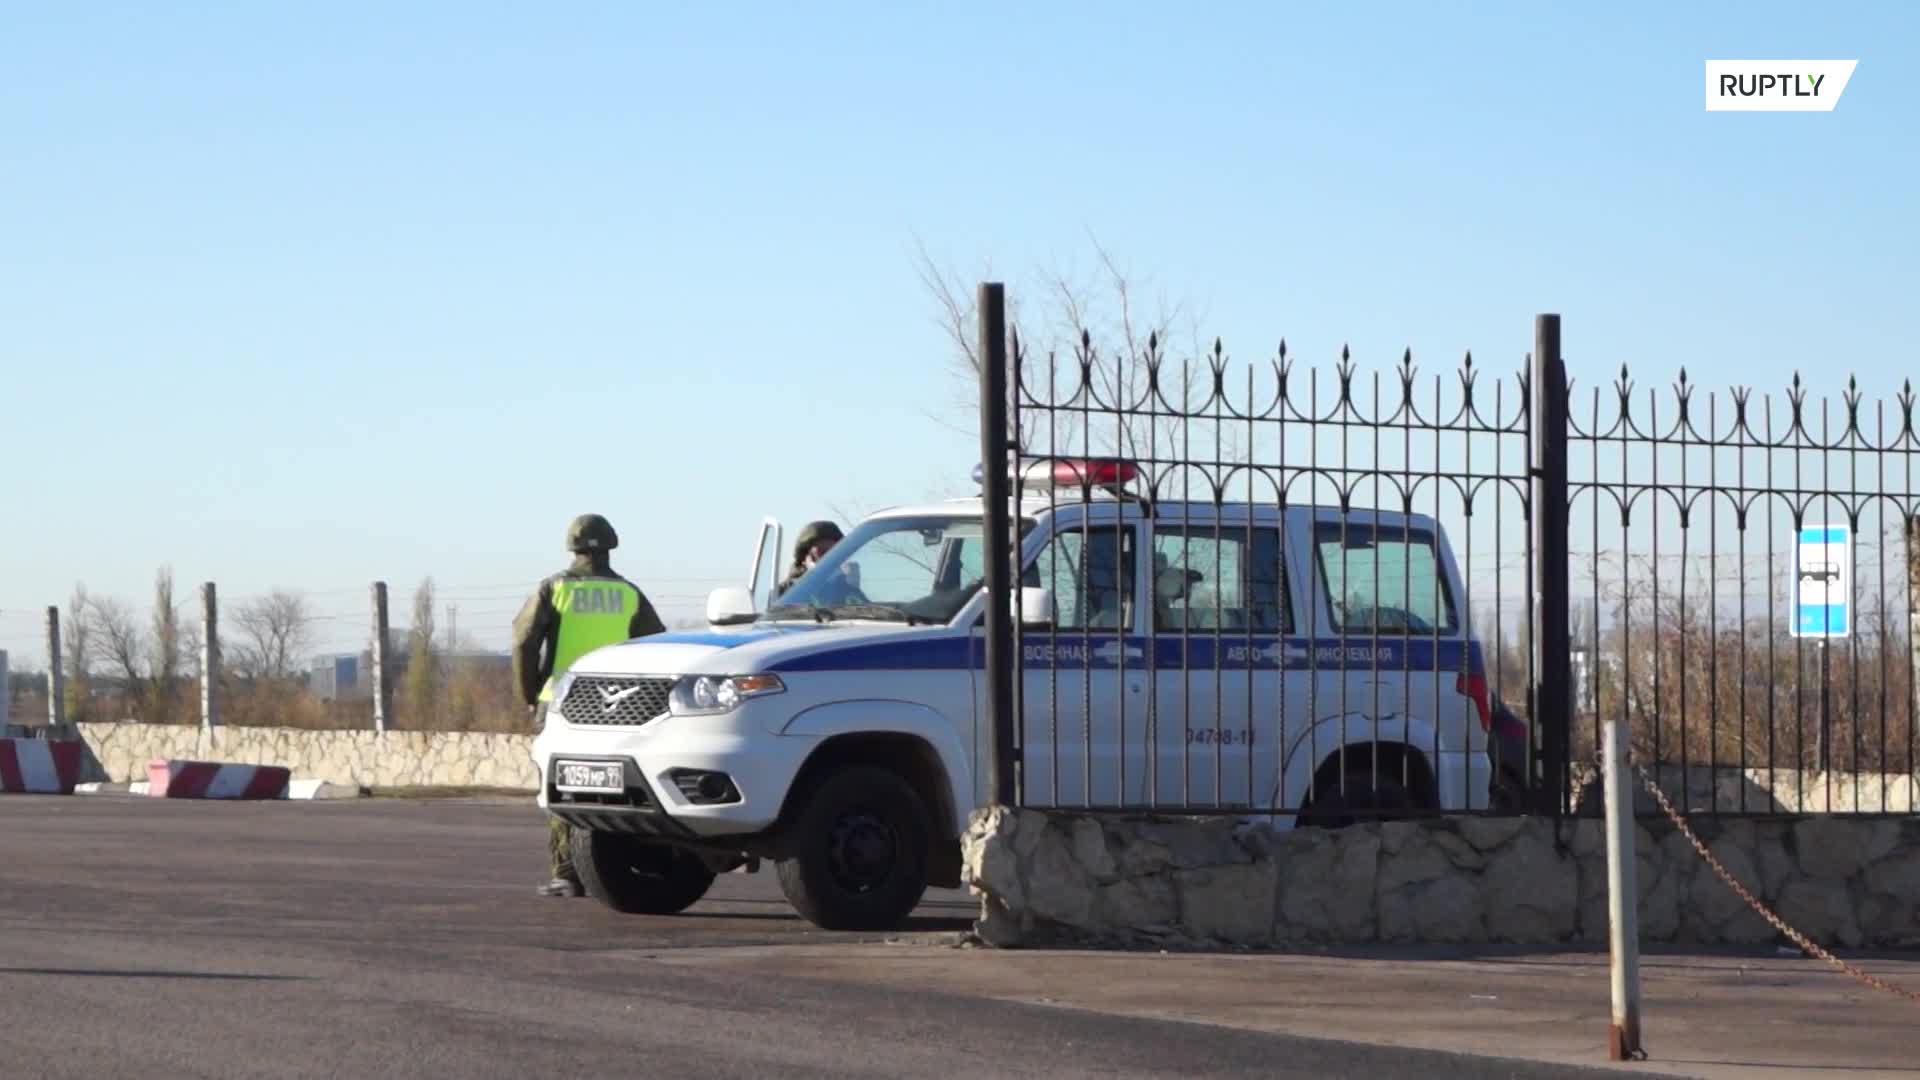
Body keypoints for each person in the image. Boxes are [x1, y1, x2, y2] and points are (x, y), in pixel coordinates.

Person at [511, 513, 666, 898]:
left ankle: (567, 873)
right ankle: (611, 870)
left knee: (564, 786)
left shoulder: (555, 588)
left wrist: (528, 694)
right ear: (611, 545)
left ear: (572, 546)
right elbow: (657, 644)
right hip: (620, 705)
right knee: (615, 788)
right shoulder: (629, 593)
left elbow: (523, 641)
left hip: (562, 703)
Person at [772, 520, 844, 600]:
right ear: (805, 558)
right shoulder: (784, 594)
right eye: (822, 552)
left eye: (834, 552)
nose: (828, 558)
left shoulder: (849, 594)